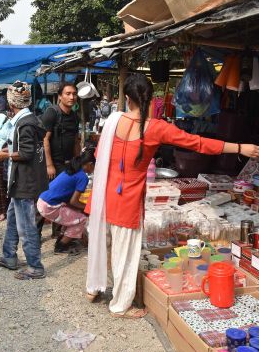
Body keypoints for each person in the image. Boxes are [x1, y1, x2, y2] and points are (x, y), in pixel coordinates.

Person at [85, 73, 259, 318]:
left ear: (127, 98)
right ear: (150, 99)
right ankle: (119, 306)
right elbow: (197, 143)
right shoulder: (156, 128)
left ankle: (92, 288)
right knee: (124, 255)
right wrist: (241, 148)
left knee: (100, 244)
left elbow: (97, 157)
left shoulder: (112, 121)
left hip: (103, 196)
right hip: (127, 202)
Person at [0, 81, 48, 280]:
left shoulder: (25, 123)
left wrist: (3, 156)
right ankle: (9, 256)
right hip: (19, 180)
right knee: (13, 219)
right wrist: (6, 151)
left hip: (25, 181)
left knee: (26, 225)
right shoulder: (26, 119)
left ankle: (35, 266)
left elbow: (25, 152)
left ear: (11, 103)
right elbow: (23, 147)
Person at [39, 82, 81, 239]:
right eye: (68, 93)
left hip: (67, 164)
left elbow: (76, 141)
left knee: (62, 199)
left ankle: (57, 233)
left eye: (74, 94)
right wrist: (49, 165)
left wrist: (78, 162)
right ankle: (35, 236)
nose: (72, 97)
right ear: (60, 96)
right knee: (46, 198)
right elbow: (45, 140)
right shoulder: (52, 113)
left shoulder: (75, 116)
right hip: (52, 165)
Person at [37, 148, 95, 254]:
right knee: (81, 219)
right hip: (49, 206)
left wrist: (81, 209)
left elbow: (70, 201)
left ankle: (63, 239)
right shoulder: (83, 177)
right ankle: (61, 247)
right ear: (90, 164)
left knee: (74, 214)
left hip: (42, 200)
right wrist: (88, 208)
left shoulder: (72, 168)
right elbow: (73, 202)